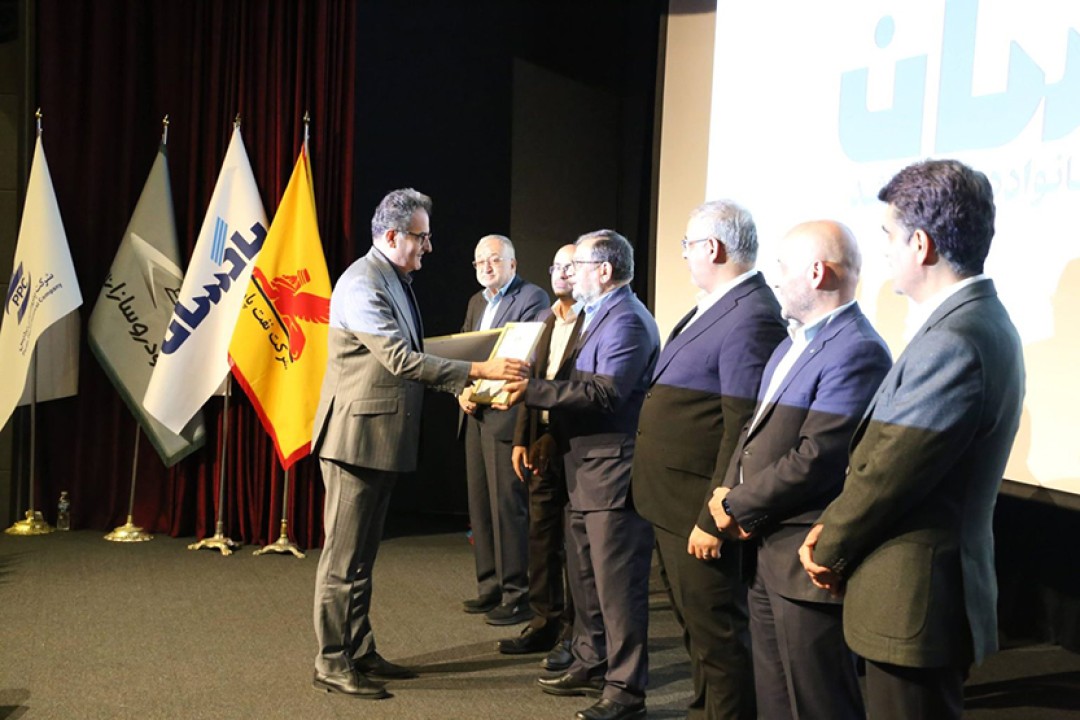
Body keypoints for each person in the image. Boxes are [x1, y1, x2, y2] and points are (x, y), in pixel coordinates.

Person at [799, 160, 1026, 719]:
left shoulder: (956, 338)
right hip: (917, 596)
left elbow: (891, 471)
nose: (883, 252)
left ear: (920, 244)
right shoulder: (975, 321)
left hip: (915, 600)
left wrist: (828, 544)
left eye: (889, 237)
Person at [310, 188, 528, 699]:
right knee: (343, 561)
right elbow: (400, 360)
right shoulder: (363, 283)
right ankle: (331, 661)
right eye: (421, 237)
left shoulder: (393, 279)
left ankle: (359, 649)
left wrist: (460, 381)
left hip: (377, 437)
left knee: (361, 559)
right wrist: (479, 370)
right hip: (354, 439)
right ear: (392, 236)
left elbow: (414, 352)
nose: (429, 246)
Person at [708, 221, 891, 720]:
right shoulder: (791, 343)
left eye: (783, 267)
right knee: (775, 701)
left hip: (804, 560)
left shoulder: (858, 349)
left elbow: (818, 457)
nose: (774, 279)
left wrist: (736, 503)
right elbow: (751, 432)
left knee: (817, 703)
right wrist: (727, 491)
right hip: (765, 549)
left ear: (816, 273)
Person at [630, 199, 785, 720]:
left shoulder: (750, 315)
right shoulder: (719, 305)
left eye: (688, 245)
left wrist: (714, 517)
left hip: (698, 510)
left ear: (713, 248)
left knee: (720, 642)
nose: (684, 255)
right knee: (697, 634)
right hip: (671, 504)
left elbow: (744, 428)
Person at [499, 230, 660, 720]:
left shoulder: (627, 320)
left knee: (617, 589)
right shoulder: (599, 315)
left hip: (612, 472)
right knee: (586, 580)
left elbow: (605, 394)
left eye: (579, 265)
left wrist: (532, 391)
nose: (569, 274)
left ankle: (626, 689)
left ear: (605, 271)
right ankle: (591, 660)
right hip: (584, 469)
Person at [498, 244, 582, 667]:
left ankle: (574, 632)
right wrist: (520, 439)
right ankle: (544, 621)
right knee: (541, 536)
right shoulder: (547, 320)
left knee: (576, 545)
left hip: (574, 446)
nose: (561, 273)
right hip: (539, 442)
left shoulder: (594, 321)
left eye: (570, 266)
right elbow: (529, 382)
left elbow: (585, 391)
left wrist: (553, 436)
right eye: (556, 266)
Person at [458, 234, 549, 626]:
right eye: (479, 261)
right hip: (474, 413)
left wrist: (482, 387)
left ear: (513, 263)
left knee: (508, 508)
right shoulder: (476, 302)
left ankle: (517, 593)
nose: (486, 266)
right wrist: (460, 389)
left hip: (505, 414)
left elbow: (523, 358)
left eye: (494, 259)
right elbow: (466, 353)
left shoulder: (531, 298)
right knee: (480, 505)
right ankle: (490, 586)